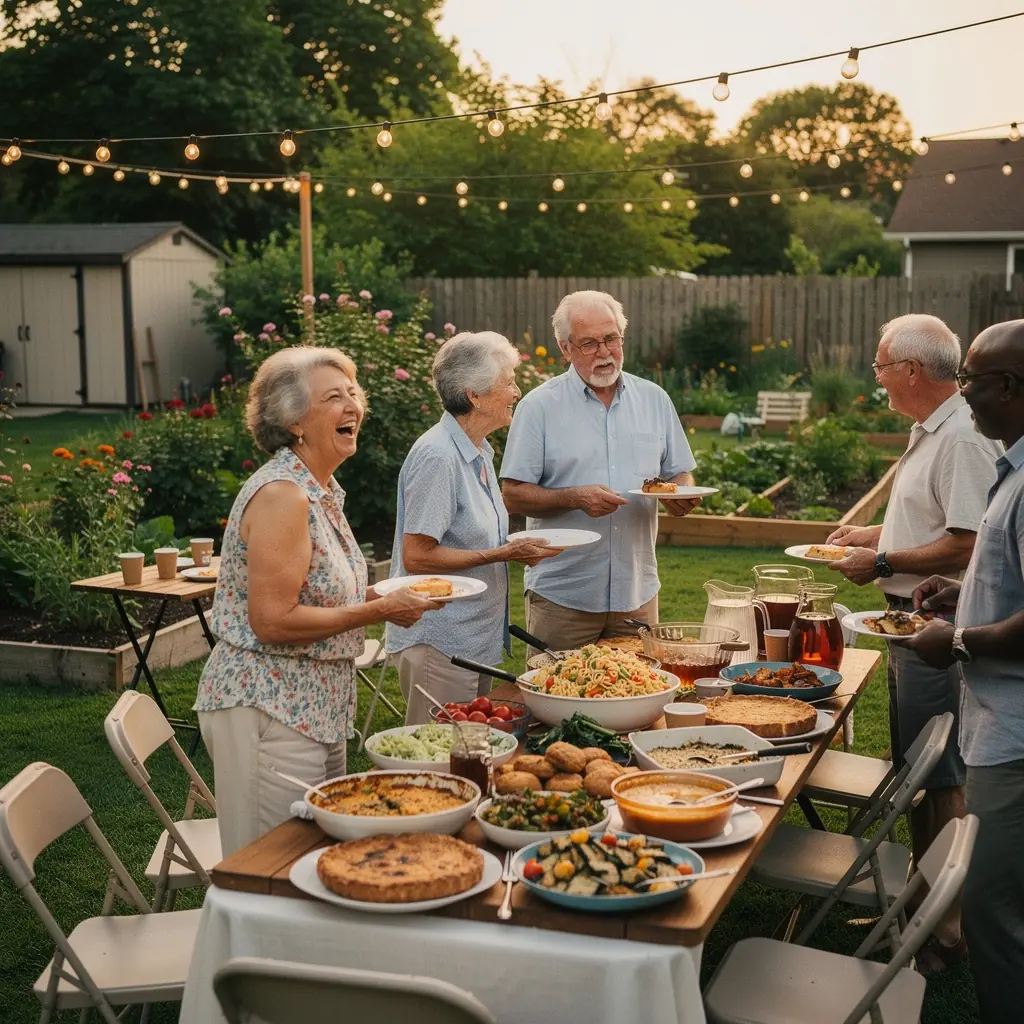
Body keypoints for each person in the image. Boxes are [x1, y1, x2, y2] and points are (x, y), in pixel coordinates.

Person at [195, 347, 440, 855]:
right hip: (269, 706)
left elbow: (327, 592)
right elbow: (272, 621)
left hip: (316, 706)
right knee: (273, 865)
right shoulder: (284, 494)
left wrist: (387, 594)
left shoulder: (320, 489)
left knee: (315, 855)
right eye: (334, 396)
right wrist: (380, 611)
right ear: (294, 421)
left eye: (353, 392)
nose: (352, 405)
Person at [826, 314, 1000, 971]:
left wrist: (879, 563)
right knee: (919, 772)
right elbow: (928, 519)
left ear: (912, 371)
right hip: (905, 621)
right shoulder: (933, 430)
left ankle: (947, 929)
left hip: (933, 623)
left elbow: (966, 541)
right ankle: (922, 903)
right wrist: (871, 540)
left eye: (880, 365)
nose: (876, 376)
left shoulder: (960, 437)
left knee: (939, 777)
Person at [907, 319, 1024, 1024]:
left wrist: (956, 641)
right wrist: (966, 592)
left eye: (973, 379)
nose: (965, 393)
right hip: (998, 728)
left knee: (995, 917)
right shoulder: (1013, 465)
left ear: (1008, 386)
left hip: (1015, 740)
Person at [500, 290, 701, 655]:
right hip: (564, 595)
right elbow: (512, 494)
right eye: (589, 343)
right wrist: (573, 498)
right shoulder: (538, 407)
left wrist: (679, 494)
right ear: (565, 348)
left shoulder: (655, 399)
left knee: (637, 698)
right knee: (558, 703)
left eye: (611, 339)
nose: (604, 352)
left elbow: (680, 474)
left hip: (636, 593)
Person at [387, 331, 562, 724]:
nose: (517, 392)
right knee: (436, 762)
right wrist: (504, 553)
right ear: (475, 396)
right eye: (509, 382)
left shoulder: (477, 450)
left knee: (470, 753)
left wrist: (519, 547)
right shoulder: (439, 456)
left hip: (472, 639)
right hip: (440, 641)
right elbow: (417, 557)